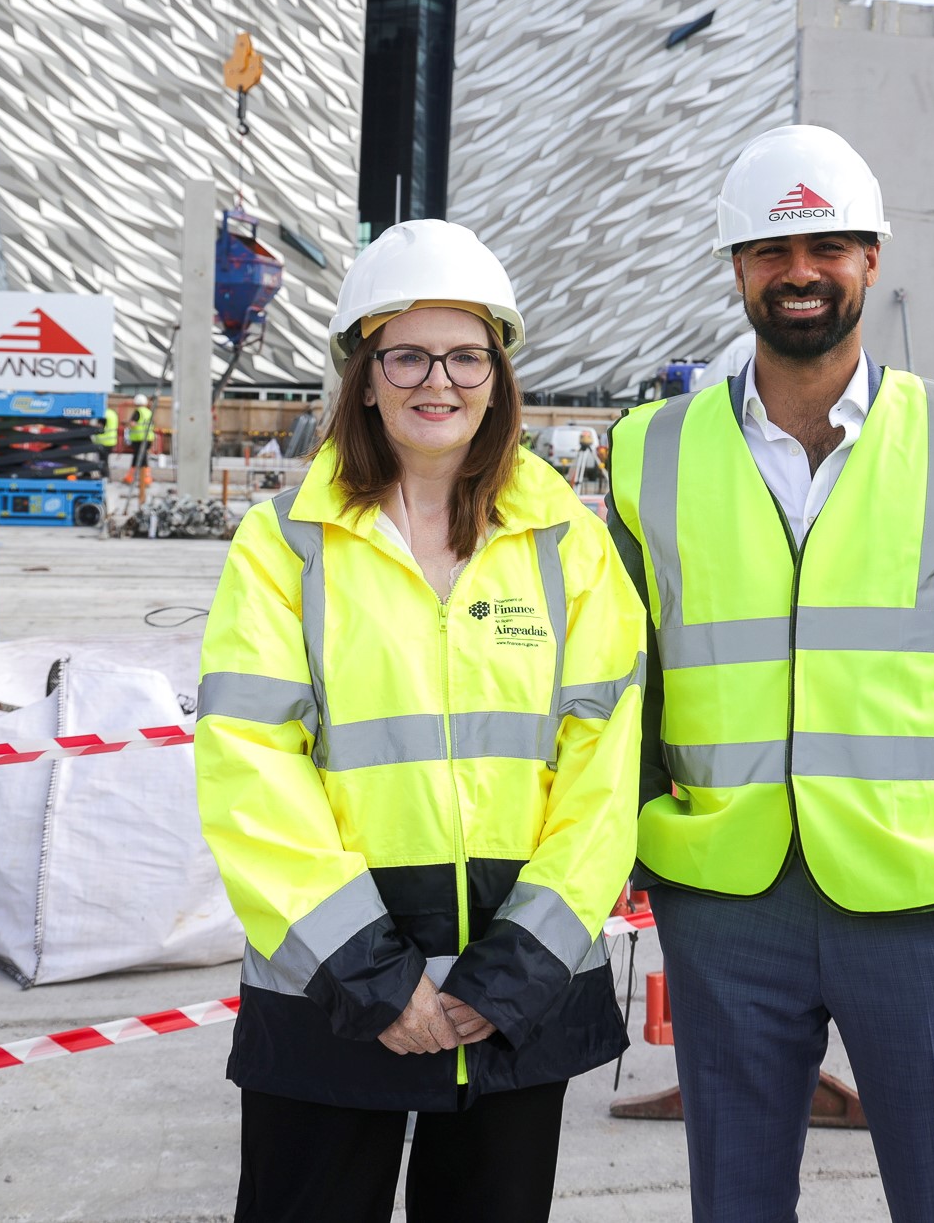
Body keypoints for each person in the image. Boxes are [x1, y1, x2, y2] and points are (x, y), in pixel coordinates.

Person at [608, 125, 934, 1223]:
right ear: (737, 270)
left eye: (827, 245)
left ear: (870, 258)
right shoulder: (650, 452)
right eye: (772, 252)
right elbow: (620, 681)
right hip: (728, 901)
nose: (800, 272)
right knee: (734, 1201)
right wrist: (641, 834)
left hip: (923, 898)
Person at [195, 219, 646, 1223]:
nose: (433, 380)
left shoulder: (566, 545)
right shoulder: (285, 547)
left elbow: (604, 773)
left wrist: (519, 967)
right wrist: (371, 975)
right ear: (362, 374)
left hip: (515, 996)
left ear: (496, 375)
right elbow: (247, 766)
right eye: (405, 353)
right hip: (327, 993)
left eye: (462, 355)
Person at [123, 392, 154, 483]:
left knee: (140, 457)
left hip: (139, 439)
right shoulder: (149, 412)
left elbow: (133, 424)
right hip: (148, 438)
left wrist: (126, 423)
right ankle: (137, 477)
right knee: (139, 457)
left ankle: (143, 479)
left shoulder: (138, 411)